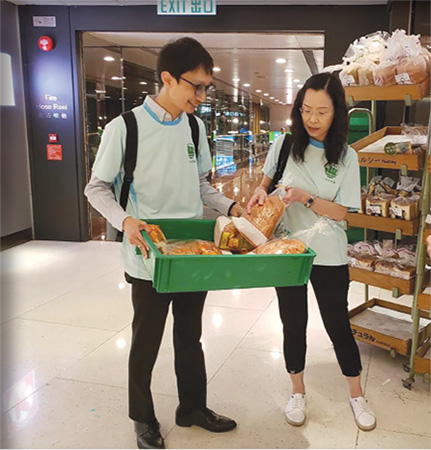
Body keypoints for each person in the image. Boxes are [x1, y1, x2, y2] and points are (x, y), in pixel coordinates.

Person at [85, 37, 243, 449]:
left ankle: (192, 407)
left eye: (208, 87)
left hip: (192, 253)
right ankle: (143, 418)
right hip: (148, 256)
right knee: (147, 339)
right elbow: (96, 188)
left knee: (190, 336)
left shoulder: (196, 126)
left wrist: (232, 207)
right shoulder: (127, 127)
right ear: (168, 79)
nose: (202, 95)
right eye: (196, 86)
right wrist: (126, 220)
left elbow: (202, 186)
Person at [247, 72, 376, 432]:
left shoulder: (347, 156)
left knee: (337, 325)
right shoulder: (285, 145)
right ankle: (297, 391)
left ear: (337, 113)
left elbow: (342, 212)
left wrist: (306, 198)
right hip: (287, 251)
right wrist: (260, 193)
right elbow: (266, 184)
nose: (313, 120)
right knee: (293, 323)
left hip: (329, 253)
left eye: (322, 112)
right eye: (306, 110)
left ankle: (356, 394)